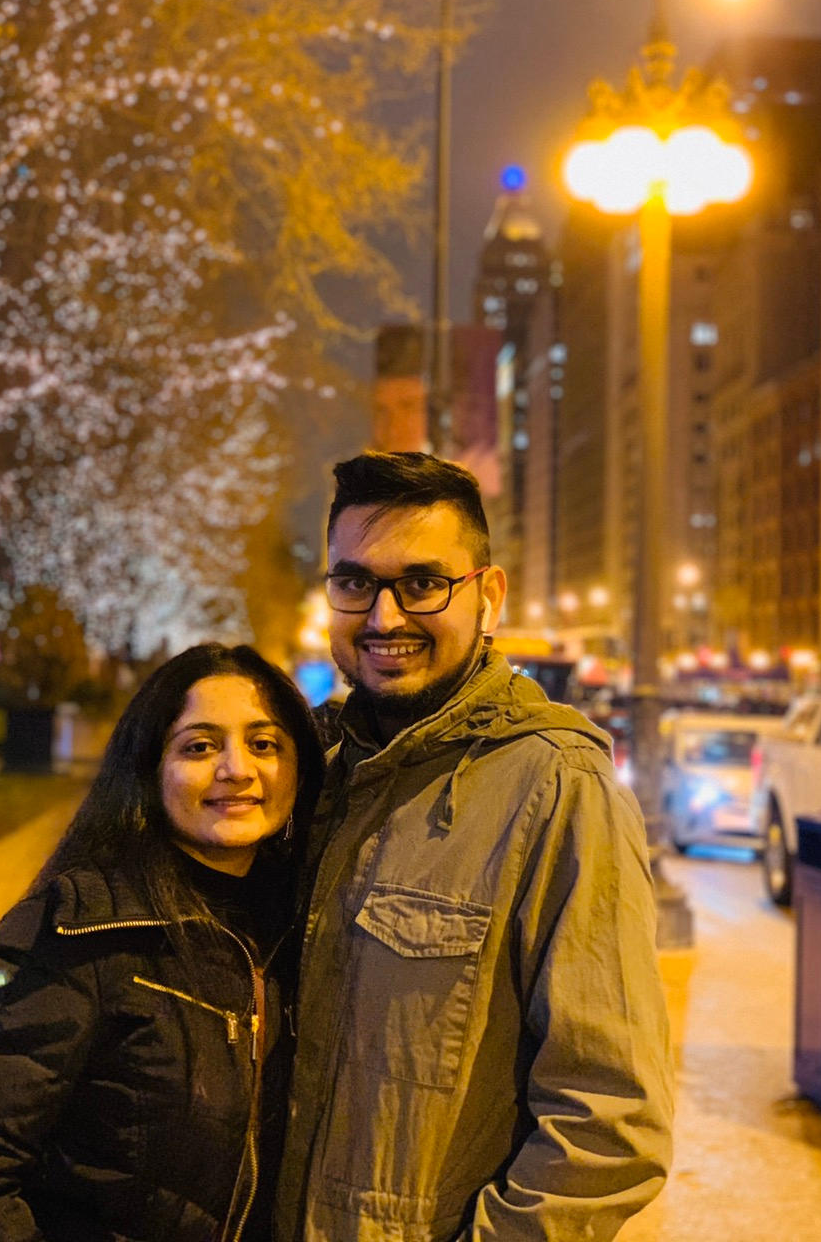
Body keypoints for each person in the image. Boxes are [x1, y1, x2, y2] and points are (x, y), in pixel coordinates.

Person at [276, 451, 673, 1242]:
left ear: (487, 597)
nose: (384, 617)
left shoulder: (559, 790)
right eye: (355, 583)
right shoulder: (303, 770)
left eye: (423, 583)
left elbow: (610, 1124)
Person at [0, 642, 324, 1242]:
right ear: (149, 769)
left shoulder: (305, 930)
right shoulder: (81, 932)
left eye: (264, 744)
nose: (237, 769)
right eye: (199, 747)